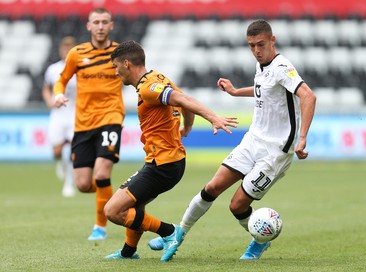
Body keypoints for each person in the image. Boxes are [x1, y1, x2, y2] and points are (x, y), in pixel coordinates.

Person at [148, 19, 317, 260]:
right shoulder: (263, 66)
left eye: (261, 44)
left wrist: (302, 139)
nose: (256, 51)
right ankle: (179, 233)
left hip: (275, 152)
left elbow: (308, 96)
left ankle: (260, 240)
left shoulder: (283, 67)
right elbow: (264, 87)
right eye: (251, 46)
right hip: (252, 141)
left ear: (272, 40)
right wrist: (237, 91)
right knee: (212, 187)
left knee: (236, 206)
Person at [102, 40, 238, 262]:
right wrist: (188, 126)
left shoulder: (148, 88)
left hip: (163, 165)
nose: (117, 74)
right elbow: (182, 100)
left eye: (116, 68)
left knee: (113, 211)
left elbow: (183, 99)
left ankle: (169, 232)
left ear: (126, 64)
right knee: (135, 204)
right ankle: (128, 252)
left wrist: (213, 117)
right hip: (168, 162)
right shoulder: (159, 78)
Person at [53, 8, 125, 241]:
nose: (101, 26)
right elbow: (61, 80)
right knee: (84, 184)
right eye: (96, 22)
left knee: (102, 172)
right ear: (89, 26)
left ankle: (100, 226)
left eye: (105, 22)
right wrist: (58, 95)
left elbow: (136, 77)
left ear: (111, 25)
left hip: (111, 119)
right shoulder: (77, 53)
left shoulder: (120, 53)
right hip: (83, 124)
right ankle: (121, 196)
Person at [42, 36, 77, 198]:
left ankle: (69, 184)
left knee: (72, 150)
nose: (66, 52)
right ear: (60, 50)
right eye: (64, 49)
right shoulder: (53, 69)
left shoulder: (80, 69)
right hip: (58, 115)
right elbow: (46, 88)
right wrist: (50, 101)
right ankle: (61, 164)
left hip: (75, 114)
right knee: (57, 151)